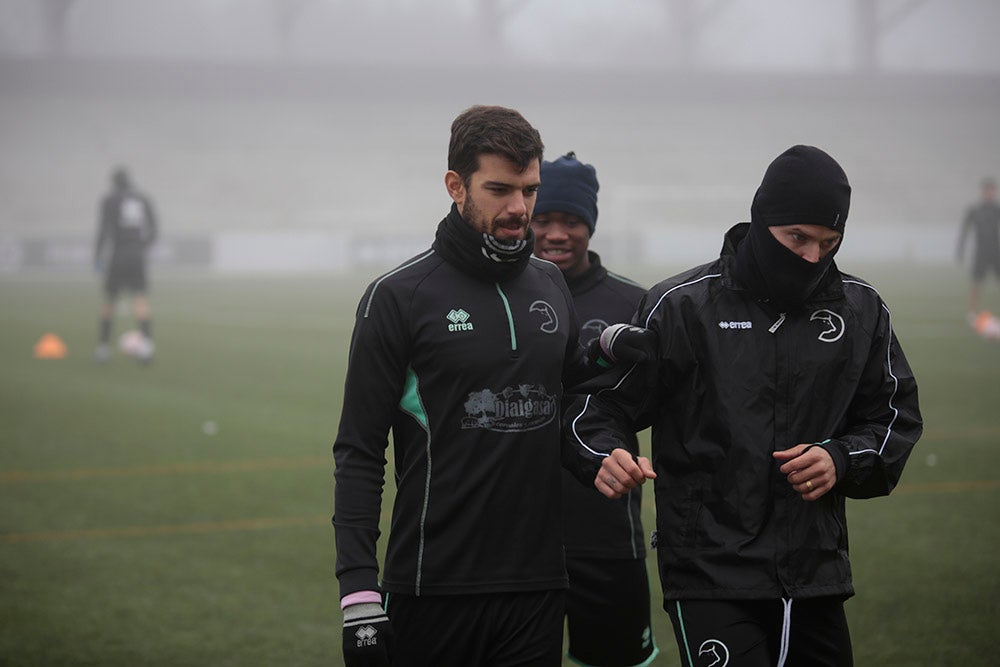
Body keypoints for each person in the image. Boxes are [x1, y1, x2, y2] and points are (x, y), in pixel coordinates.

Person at [563, 145, 923, 666]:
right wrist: (605, 453)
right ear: (762, 221)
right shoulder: (685, 305)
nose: (812, 257)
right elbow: (599, 407)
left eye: (829, 242)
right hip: (709, 573)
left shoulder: (861, 309)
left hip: (815, 573)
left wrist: (841, 459)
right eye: (797, 238)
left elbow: (894, 418)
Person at [332, 106, 651, 667]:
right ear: (456, 185)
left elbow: (557, 401)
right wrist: (358, 592)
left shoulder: (550, 284)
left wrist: (596, 446)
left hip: (538, 586)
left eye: (528, 189)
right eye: (500, 189)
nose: (519, 209)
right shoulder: (399, 296)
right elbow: (359, 451)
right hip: (432, 583)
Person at [530, 151, 658, 667]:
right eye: (545, 219)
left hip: (606, 536)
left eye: (572, 221)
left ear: (591, 225)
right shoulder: (499, 299)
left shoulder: (636, 304)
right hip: (517, 541)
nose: (557, 233)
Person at [94, 166, 158, 364]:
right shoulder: (142, 198)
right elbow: (154, 228)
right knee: (140, 300)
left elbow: (104, 230)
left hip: (119, 253)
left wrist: (97, 257)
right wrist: (142, 247)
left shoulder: (110, 200)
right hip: (137, 255)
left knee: (110, 302)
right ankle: (146, 349)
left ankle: (103, 349)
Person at [956, 177, 1000, 316]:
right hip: (981, 252)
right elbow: (965, 231)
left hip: (995, 251)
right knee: (977, 283)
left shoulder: (996, 209)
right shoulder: (975, 210)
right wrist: (960, 250)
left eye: (992, 190)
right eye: (987, 190)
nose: (990, 193)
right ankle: (972, 313)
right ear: (983, 191)